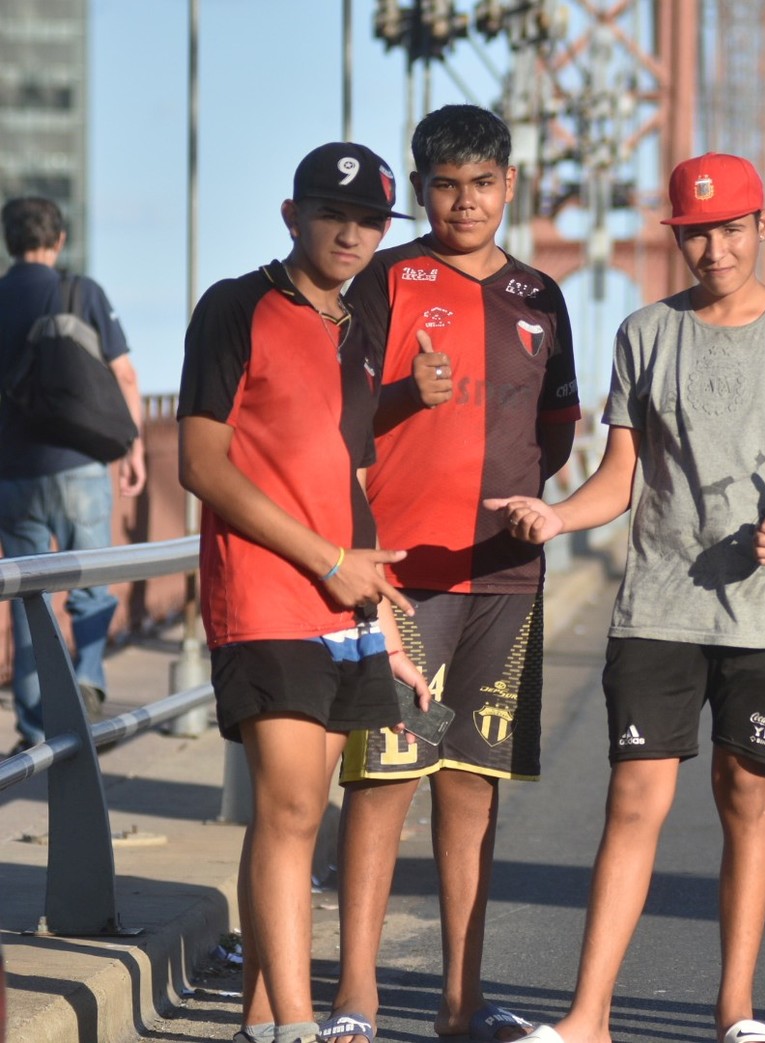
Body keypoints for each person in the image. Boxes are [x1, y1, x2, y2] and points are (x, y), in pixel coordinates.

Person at [486, 152, 765, 1043]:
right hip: (658, 604)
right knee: (632, 802)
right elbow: (620, 476)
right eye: (696, 233)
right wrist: (559, 515)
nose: (713, 249)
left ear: (762, 227)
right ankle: (587, 1020)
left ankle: (736, 1013)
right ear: (678, 237)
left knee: (746, 796)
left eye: (730, 229)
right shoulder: (644, 334)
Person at [329, 104, 580, 1043]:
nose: (464, 201)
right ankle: (356, 998)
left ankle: (459, 1004)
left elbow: (555, 432)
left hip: (504, 580)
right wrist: (404, 399)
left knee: (470, 786)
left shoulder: (540, 295)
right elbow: (333, 418)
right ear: (420, 191)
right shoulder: (386, 279)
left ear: (509, 186)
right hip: (403, 580)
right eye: (444, 185)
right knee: (385, 780)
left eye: (482, 184)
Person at [176, 142, 420, 1043]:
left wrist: (376, 603)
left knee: (295, 823)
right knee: (286, 810)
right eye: (333, 214)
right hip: (265, 593)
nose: (351, 233)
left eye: (368, 221)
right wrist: (326, 561)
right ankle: (298, 1026)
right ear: (292, 215)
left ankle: (260, 1020)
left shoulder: (358, 331)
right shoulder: (235, 306)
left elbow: (343, 469)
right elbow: (200, 462)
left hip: (343, 602)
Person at [0, 197, 145, 755]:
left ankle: (38, 730)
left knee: (27, 598)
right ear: (58, 239)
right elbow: (125, 375)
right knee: (91, 584)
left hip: (13, 472)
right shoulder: (81, 291)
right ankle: (87, 679)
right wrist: (129, 447)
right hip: (82, 465)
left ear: (10, 241)